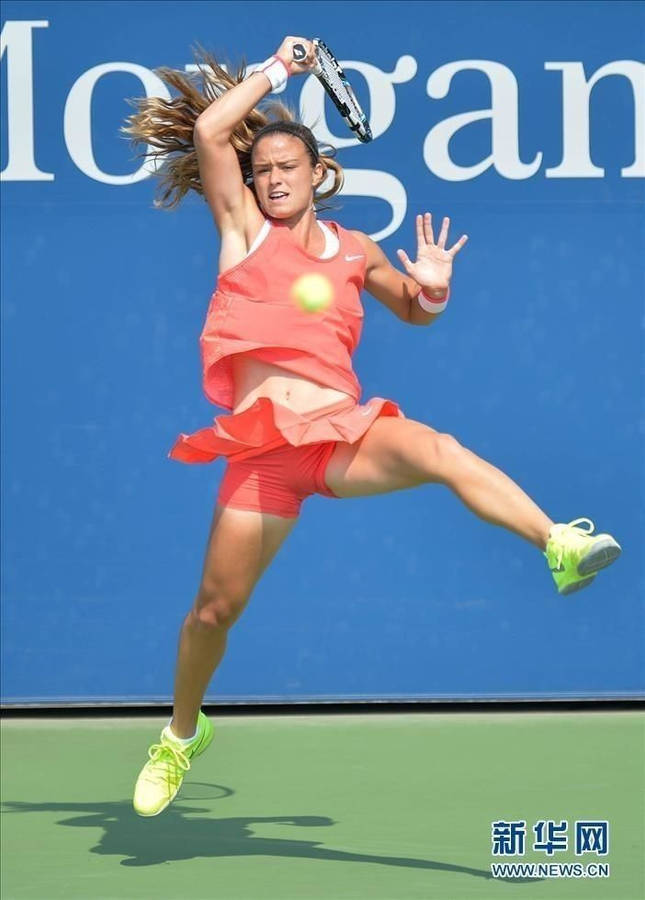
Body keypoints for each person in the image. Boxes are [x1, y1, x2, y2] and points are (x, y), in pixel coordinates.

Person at [122, 37, 621, 817]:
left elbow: (415, 313)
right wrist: (278, 70)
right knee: (213, 613)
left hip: (340, 435)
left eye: (287, 168)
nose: (272, 179)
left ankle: (557, 541)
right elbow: (211, 133)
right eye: (263, 172)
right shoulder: (242, 231)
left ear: (318, 174)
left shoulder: (356, 252)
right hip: (262, 449)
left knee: (438, 449)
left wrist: (434, 291)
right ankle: (181, 736)